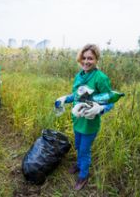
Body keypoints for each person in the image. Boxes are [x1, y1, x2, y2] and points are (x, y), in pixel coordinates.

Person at [55, 44, 114, 190]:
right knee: (78, 145)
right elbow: (76, 95)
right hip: (77, 120)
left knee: (84, 150)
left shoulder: (100, 78)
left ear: (96, 60)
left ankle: (84, 175)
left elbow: (110, 100)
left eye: (90, 59)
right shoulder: (79, 75)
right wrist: (65, 99)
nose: (86, 61)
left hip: (90, 123)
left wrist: (100, 108)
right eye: (84, 58)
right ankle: (79, 164)